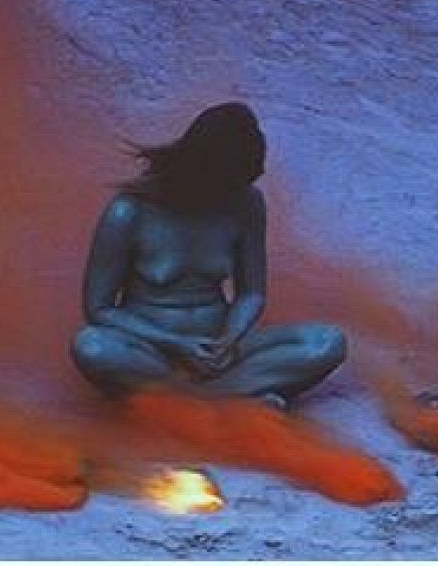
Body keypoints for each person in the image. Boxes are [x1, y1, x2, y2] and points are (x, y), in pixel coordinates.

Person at [70, 102, 345, 409]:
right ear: (205, 174)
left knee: (326, 342)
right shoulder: (128, 213)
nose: (238, 191)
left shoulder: (246, 203)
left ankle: (195, 400)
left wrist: (229, 339)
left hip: (217, 348)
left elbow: (251, 293)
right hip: (151, 349)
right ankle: (230, 398)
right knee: (92, 347)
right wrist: (177, 344)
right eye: (232, 183)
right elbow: (100, 310)